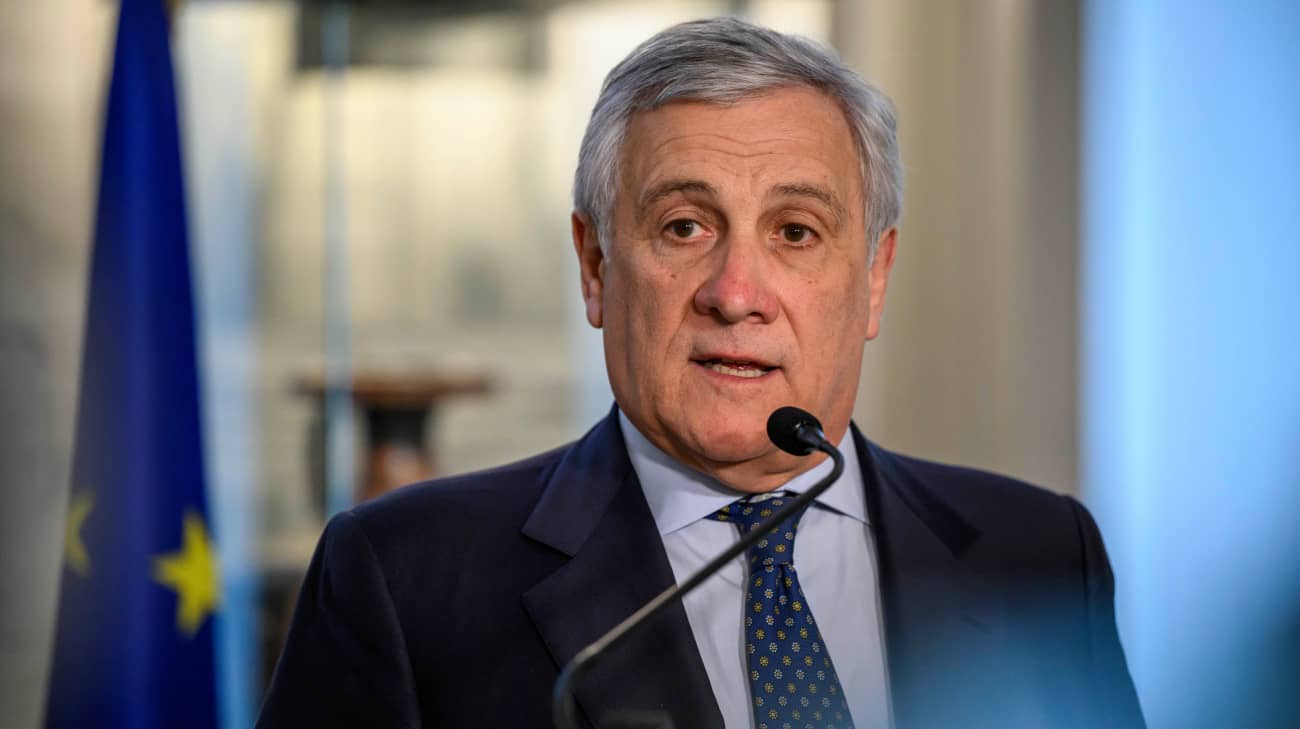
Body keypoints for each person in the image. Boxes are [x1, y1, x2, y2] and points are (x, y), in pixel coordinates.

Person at [257, 17, 1145, 729]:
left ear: (874, 278)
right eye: (684, 227)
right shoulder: (404, 578)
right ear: (595, 266)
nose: (736, 293)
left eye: (795, 232)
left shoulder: (1038, 555)